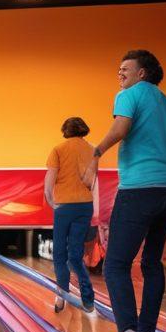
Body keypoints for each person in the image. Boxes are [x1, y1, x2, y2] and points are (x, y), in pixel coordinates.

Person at [85, 49, 166, 332]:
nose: (120, 74)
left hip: (137, 190)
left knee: (115, 264)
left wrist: (96, 152)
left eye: (125, 69)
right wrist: (163, 161)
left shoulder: (129, 95)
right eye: (118, 69)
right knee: (151, 262)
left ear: (142, 73)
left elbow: (120, 130)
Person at [44, 116, 98, 314]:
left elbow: (49, 181)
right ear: (83, 129)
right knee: (75, 256)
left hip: (64, 206)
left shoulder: (58, 149)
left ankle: (61, 297)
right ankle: (88, 299)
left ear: (65, 131)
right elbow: (92, 181)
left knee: (60, 254)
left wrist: (51, 201)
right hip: (85, 206)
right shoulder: (93, 150)